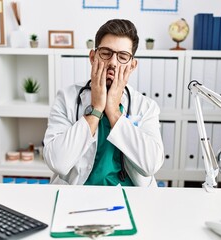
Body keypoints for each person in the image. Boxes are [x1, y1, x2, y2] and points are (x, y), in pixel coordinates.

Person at [43, 19, 164, 187]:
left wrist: (114, 111)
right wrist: (96, 109)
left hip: (132, 196)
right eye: (106, 53)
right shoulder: (67, 98)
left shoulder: (146, 106)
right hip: (77, 195)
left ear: (132, 65)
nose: (113, 63)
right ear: (93, 57)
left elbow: (150, 165)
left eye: (122, 57)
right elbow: (58, 162)